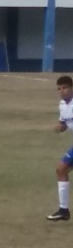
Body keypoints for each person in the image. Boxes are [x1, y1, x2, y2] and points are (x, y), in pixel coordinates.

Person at [48, 76, 73, 221]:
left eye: (64, 88)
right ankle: (63, 210)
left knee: (61, 168)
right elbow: (64, 123)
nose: (61, 91)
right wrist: (60, 127)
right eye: (59, 89)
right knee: (61, 169)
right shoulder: (63, 105)